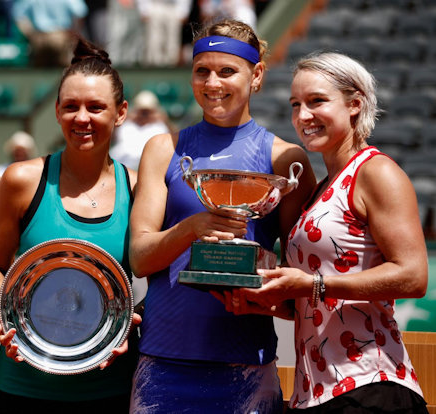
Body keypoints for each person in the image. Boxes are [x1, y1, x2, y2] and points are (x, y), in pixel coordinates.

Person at [128, 18, 317, 412]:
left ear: (257, 75)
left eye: (227, 71)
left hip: (247, 362)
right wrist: (194, 227)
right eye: (202, 71)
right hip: (163, 362)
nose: (213, 83)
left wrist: (259, 296)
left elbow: (302, 287)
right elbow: (141, 258)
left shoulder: (284, 158)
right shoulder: (163, 149)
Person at [227, 52, 429, 413]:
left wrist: (313, 285)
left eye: (316, 101)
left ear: (355, 104)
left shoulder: (376, 172)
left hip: (370, 386)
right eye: (295, 104)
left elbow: (413, 275)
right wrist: (267, 302)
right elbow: (319, 300)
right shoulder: (322, 186)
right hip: (318, 394)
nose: (303, 116)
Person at [0, 36, 139, 413]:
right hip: (24, 386)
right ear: (56, 111)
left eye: (96, 107)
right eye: (71, 107)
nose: (82, 118)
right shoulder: (21, 180)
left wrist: (136, 318)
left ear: (121, 112)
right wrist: (8, 312)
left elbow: (161, 278)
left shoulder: (138, 188)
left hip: (109, 388)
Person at [109, 89, 174, 170]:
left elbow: (175, 141)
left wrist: (165, 120)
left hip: (152, 169)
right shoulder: (125, 124)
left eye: (147, 111)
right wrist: (125, 117)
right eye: (142, 111)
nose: (144, 114)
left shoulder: (160, 126)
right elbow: (110, 138)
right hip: (122, 169)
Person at [12, 0, 87, 67]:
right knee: (63, 71)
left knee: (40, 71)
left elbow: (18, 15)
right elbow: (80, 13)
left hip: (39, 38)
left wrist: (30, 34)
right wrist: (74, 31)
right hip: (60, 36)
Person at [136, 0, 193, 67]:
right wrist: (144, 9)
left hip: (173, 8)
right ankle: (153, 66)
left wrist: (183, 10)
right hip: (154, 6)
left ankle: (171, 67)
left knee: (172, 43)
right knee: (154, 41)